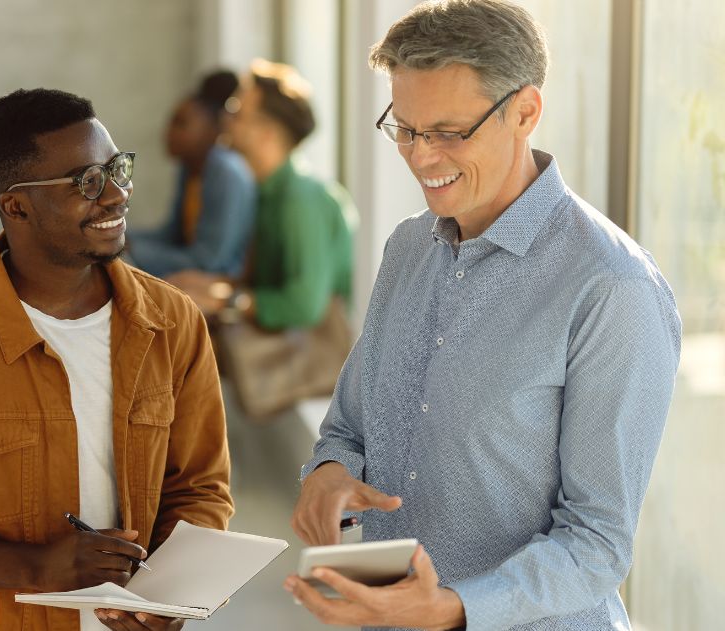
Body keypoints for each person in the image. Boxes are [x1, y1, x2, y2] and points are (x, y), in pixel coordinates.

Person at [285, 2, 681, 629]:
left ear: (525, 111)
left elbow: (600, 541)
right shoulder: (408, 249)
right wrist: (330, 471)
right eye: (406, 130)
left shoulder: (612, 287)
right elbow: (351, 426)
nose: (420, 157)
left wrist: (454, 608)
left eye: (448, 132)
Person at [0, 88, 234, 631]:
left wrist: (167, 597)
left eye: (117, 169)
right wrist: (36, 567)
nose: (117, 194)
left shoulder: (173, 322)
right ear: (16, 206)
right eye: (86, 182)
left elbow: (199, 489)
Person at [168, 60, 355, 332]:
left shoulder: (301, 199)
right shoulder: (266, 191)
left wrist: (226, 300)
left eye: (236, 112)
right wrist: (207, 286)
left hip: (304, 365)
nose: (224, 120)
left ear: (267, 133)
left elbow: (304, 305)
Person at [128, 70, 257, 278]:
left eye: (181, 123)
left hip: (220, 285)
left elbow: (210, 262)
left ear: (213, 128)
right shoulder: (190, 168)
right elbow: (172, 235)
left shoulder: (225, 171)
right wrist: (118, 237)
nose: (168, 132)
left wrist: (132, 249)